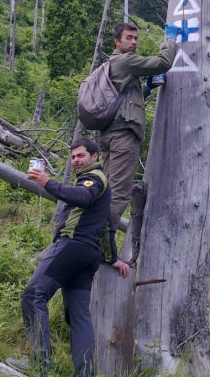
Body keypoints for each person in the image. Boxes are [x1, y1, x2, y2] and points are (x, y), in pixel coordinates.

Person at [10, 138, 129, 376]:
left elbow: (82, 196)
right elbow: (106, 227)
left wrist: (47, 182)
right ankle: (84, 373)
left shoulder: (93, 179)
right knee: (79, 316)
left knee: (34, 295)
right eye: (73, 157)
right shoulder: (102, 187)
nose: (76, 161)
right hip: (90, 256)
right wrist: (113, 258)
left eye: (81, 156)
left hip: (73, 247)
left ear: (95, 157)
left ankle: (39, 365)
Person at [100, 23, 178, 231]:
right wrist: (170, 40)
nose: (134, 42)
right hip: (123, 136)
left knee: (106, 189)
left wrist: (147, 87)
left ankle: (93, 238)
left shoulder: (111, 64)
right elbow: (163, 62)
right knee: (118, 193)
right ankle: (99, 244)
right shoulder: (125, 60)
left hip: (109, 134)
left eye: (135, 38)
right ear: (116, 41)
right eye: (128, 38)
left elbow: (123, 101)